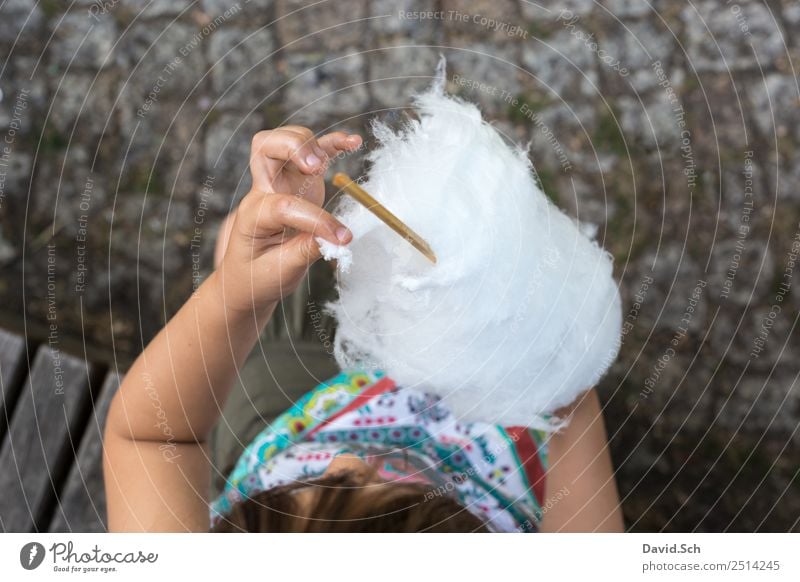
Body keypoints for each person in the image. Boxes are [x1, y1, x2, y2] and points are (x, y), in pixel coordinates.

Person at [103, 126, 625, 533]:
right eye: (384, 488)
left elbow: (150, 437)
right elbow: (569, 394)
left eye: (323, 484)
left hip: (291, 428)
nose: (347, 457)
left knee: (250, 249)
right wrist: (544, 334)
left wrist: (238, 292)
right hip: (475, 442)